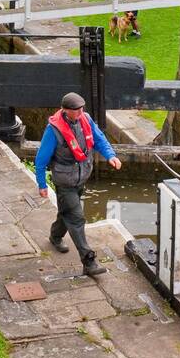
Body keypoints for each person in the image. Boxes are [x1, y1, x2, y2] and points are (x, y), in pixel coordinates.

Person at [34, 92, 122, 277]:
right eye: (76, 110)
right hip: (64, 181)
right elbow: (41, 159)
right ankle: (88, 262)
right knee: (77, 217)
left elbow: (99, 139)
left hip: (82, 177)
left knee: (66, 212)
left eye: (82, 108)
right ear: (66, 111)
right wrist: (42, 184)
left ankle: (55, 236)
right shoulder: (53, 130)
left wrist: (110, 155)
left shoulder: (85, 119)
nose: (81, 112)